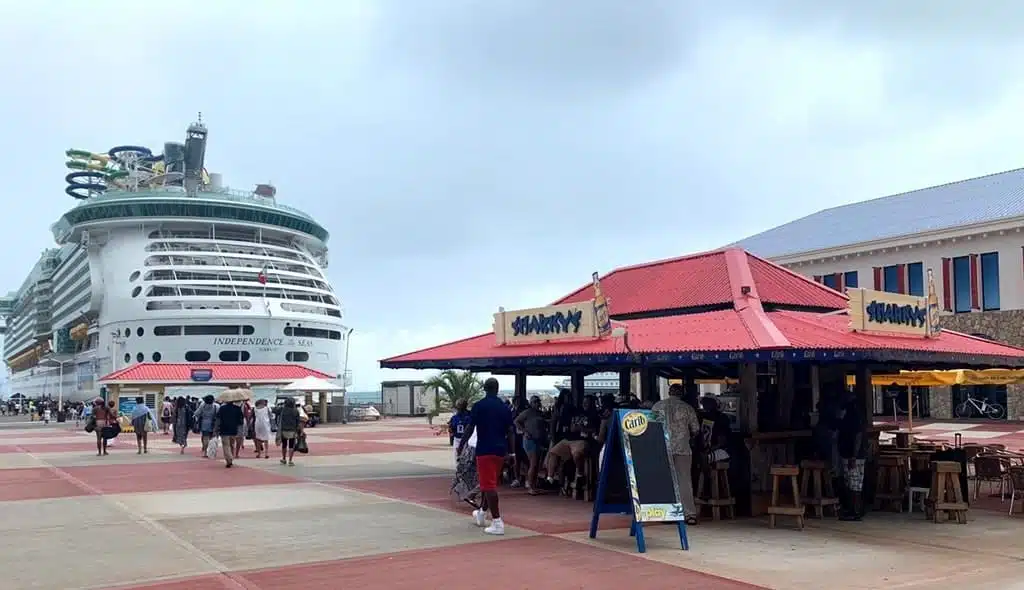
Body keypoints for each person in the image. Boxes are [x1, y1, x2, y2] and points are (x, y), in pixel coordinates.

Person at [458, 378, 513, 536]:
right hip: (500, 450)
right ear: (497, 388)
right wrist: (512, 452)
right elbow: (510, 431)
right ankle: (481, 512)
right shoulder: (504, 408)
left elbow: (470, 427)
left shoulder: (479, 406)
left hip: (485, 449)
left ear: (484, 388)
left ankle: (497, 522)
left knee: (488, 487)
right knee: (488, 483)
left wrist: (462, 444)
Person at [651, 383, 700, 525]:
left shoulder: (657, 406)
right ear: (682, 393)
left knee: (665, 481)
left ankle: (668, 513)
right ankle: (689, 514)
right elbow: (696, 429)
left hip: (662, 447)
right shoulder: (687, 408)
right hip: (682, 448)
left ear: (669, 391)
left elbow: (651, 426)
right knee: (684, 481)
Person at [837, 393, 867, 521]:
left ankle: (854, 511)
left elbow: (857, 436)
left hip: (852, 455)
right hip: (856, 454)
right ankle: (856, 510)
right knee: (855, 483)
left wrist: (853, 456)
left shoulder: (852, 418)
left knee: (853, 483)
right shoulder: (858, 416)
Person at [514, 395, 548, 494]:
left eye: (538, 401)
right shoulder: (527, 413)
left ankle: (533, 484)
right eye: (535, 402)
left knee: (536, 464)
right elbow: (516, 421)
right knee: (533, 463)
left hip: (539, 440)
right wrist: (524, 431)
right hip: (530, 440)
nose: (537, 403)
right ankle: (530, 486)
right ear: (531, 403)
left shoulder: (541, 413)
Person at [216, 400, 245, 468]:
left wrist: (216, 428)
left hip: (224, 429)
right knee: (232, 444)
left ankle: (228, 459)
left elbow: (218, 419)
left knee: (226, 445)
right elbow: (241, 420)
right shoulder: (237, 408)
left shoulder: (222, 408)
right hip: (233, 429)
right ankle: (231, 458)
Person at [277, 398, 302, 466]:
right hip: (292, 430)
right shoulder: (295, 411)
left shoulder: (283, 410)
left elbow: (274, 410)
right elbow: (298, 422)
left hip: (283, 430)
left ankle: (284, 458)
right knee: (291, 445)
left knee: (284, 445)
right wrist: (299, 431)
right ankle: (290, 460)